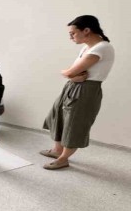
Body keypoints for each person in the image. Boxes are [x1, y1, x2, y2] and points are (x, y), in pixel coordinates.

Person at [41, 15, 115, 170]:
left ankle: (63, 159)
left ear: (86, 30)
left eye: (73, 33)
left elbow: (70, 72)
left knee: (75, 123)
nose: (71, 37)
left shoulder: (101, 48)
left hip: (86, 89)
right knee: (58, 115)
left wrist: (67, 74)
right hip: (73, 86)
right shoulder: (87, 48)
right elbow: (71, 72)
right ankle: (57, 150)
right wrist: (70, 76)